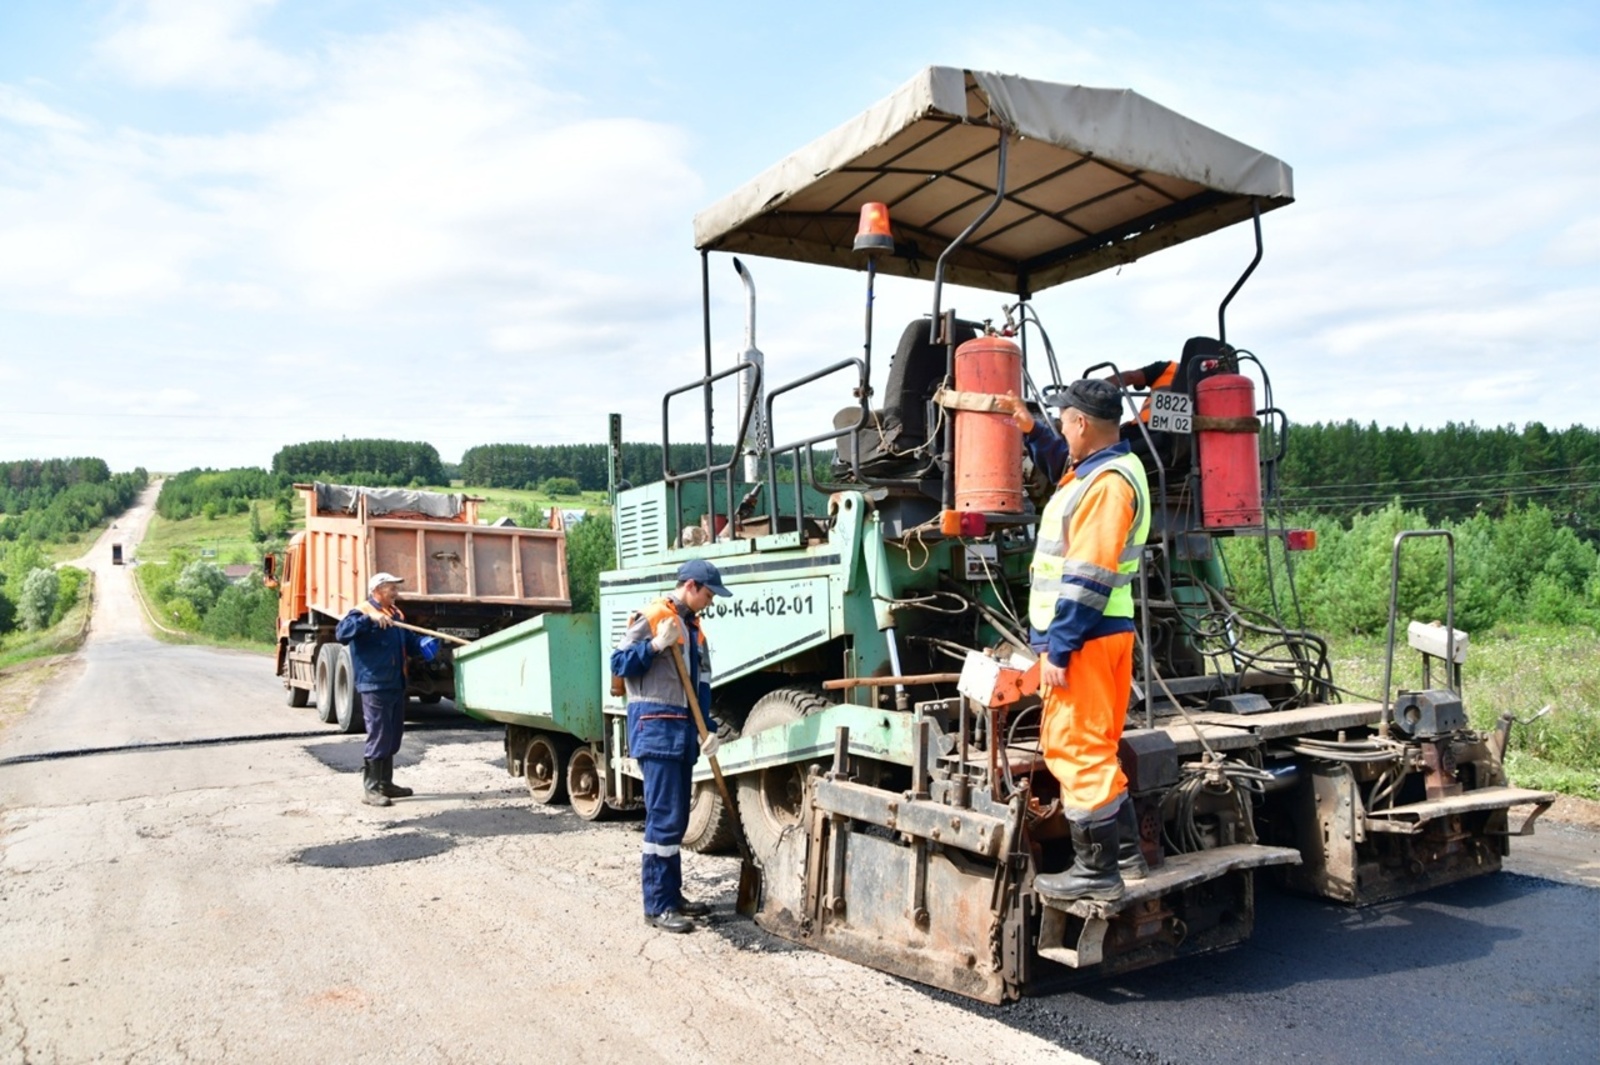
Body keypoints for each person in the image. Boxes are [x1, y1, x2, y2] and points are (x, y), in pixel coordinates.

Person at [1001, 380, 1152, 901]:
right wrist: (1030, 428)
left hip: (1084, 640)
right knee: (1100, 747)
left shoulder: (1107, 485)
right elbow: (1061, 467)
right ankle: (1128, 858)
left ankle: (1097, 873)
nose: (1062, 433)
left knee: (1076, 750)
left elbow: (1086, 577)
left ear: (1082, 424)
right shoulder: (1105, 470)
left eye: (1064, 423)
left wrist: (1059, 648)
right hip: (1106, 633)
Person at [610, 559, 728, 933]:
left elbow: (701, 687)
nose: (711, 601)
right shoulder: (652, 617)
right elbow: (618, 663)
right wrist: (655, 646)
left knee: (676, 819)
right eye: (709, 593)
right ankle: (657, 906)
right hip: (655, 728)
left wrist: (707, 729)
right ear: (691, 586)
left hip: (681, 734)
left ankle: (673, 897)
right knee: (662, 819)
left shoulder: (696, 631)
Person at [335, 572, 439, 808]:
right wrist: (369, 620)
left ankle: (386, 784)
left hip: (396, 682)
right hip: (375, 683)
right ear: (377, 590)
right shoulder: (361, 612)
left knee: (392, 735)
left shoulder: (396, 614)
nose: (396, 592)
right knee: (379, 734)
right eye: (391, 588)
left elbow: (407, 642)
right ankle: (370, 789)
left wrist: (422, 646)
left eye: (395, 587)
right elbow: (342, 633)